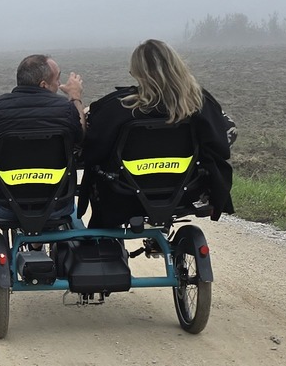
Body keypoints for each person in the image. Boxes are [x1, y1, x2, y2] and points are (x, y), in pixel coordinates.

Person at [80, 39, 236, 226]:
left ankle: (102, 244)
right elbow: (226, 138)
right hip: (184, 192)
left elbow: (93, 148)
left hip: (123, 194)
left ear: (138, 72)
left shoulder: (119, 107)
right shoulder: (199, 103)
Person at [0, 53, 85, 275]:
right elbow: (82, 137)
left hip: (5, 205)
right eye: (58, 79)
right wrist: (75, 98)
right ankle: (36, 246)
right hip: (57, 206)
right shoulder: (65, 110)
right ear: (44, 84)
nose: (60, 85)